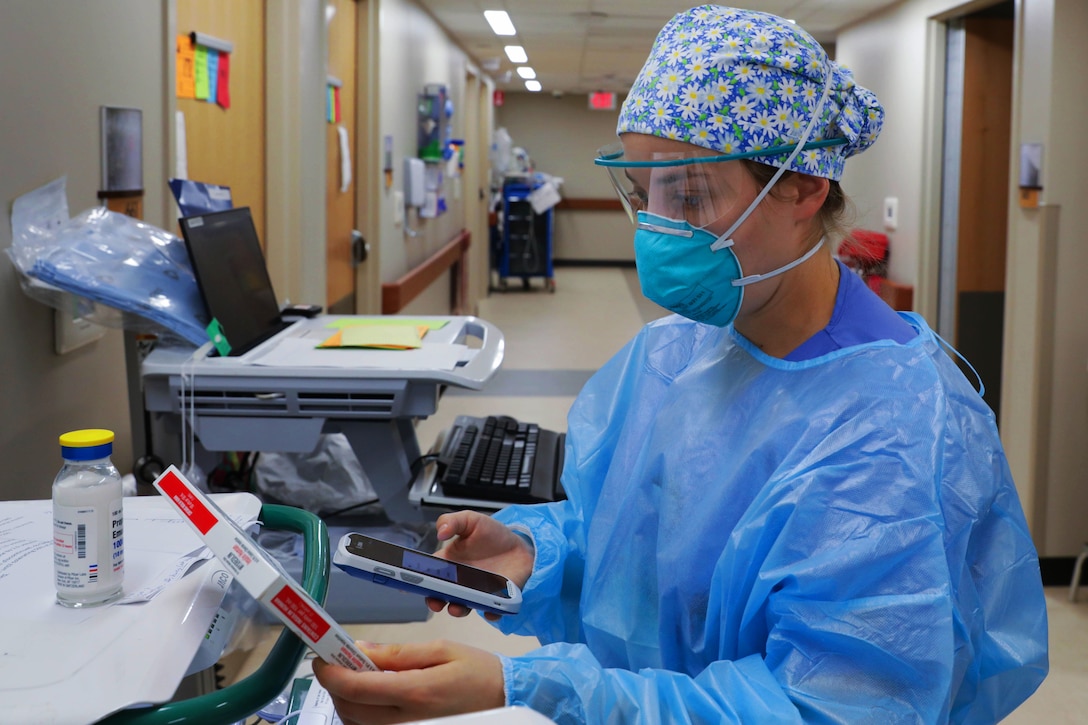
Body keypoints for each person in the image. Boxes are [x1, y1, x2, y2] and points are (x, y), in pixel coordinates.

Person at [313, 6, 1049, 723]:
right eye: (643, 192)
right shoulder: (678, 352)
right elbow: (641, 544)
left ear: (803, 188)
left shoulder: (892, 433)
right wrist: (541, 554)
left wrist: (534, 689)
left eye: (689, 194)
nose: (659, 227)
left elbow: (831, 704)